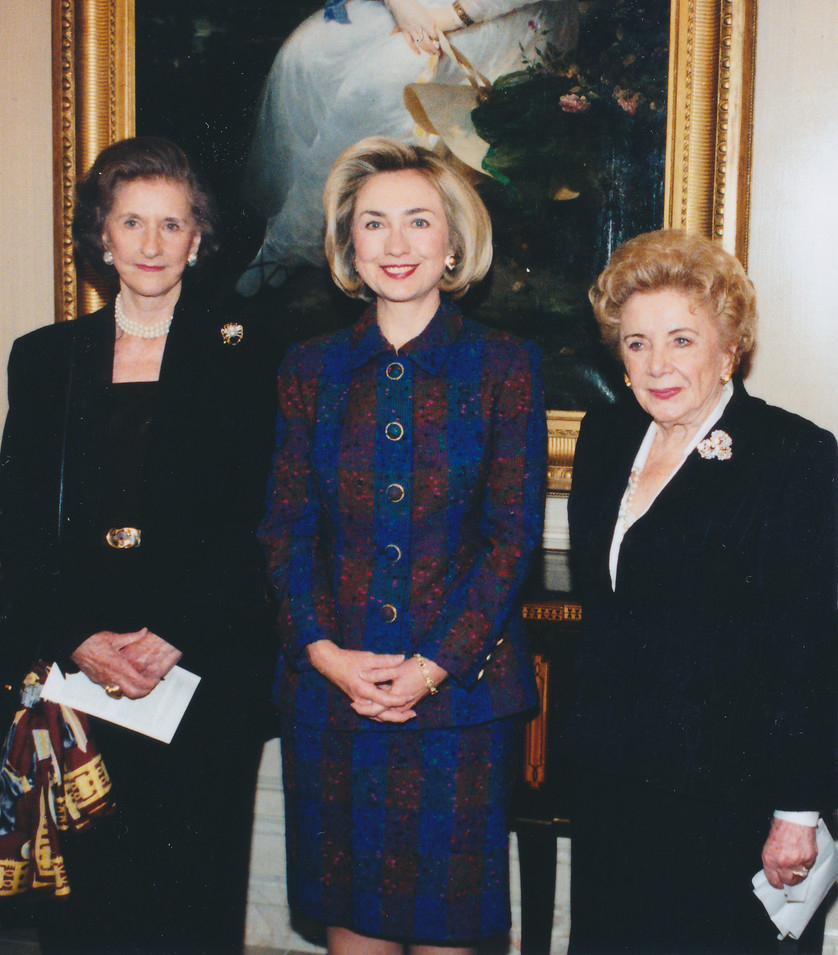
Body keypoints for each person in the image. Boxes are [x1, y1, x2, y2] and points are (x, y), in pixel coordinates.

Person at [258, 135, 546, 953]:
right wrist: (321, 651)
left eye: (418, 221)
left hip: (457, 702)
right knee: (356, 928)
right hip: (333, 700)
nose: (395, 243)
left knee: (446, 930)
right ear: (349, 244)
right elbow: (287, 525)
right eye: (373, 223)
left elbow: (511, 534)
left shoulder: (505, 365)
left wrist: (430, 666)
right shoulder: (309, 368)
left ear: (453, 240)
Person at [0, 137, 278, 953]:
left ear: (199, 238)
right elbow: (16, 518)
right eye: (132, 222)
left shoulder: (252, 353)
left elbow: (264, 516)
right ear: (101, 236)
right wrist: (74, 637)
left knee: (192, 901)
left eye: (172, 224)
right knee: (88, 911)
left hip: (199, 667)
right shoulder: (45, 358)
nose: (152, 244)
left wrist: (174, 631)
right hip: (80, 673)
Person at [565, 229, 838, 954]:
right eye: (636, 343)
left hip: (731, 800)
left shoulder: (795, 458)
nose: (658, 364)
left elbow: (810, 645)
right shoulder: (605, 435)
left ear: (729, 347)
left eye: (682, 339)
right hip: (614, 788)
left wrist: (799, 808)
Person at [235, 0, 579, 295]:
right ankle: (306, 231)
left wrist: (434, 17)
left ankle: (293, 244)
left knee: (385, 76)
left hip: (500, 17)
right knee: (309, 51)